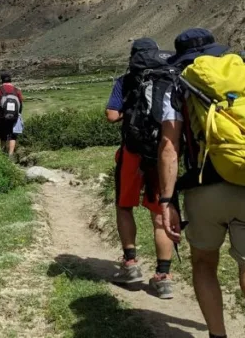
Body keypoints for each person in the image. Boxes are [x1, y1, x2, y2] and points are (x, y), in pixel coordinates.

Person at [159, 28, 245, 338]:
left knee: (203, 264)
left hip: (206, 188)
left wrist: (166, 201)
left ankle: (217, 335)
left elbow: (169, 148)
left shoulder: (178, 86)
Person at [104, 38, 176, 298]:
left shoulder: (125, 81)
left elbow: (111, 115)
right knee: (160, 216)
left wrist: (128, 113)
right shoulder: (169, 78)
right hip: (163, 155)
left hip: (132, 153)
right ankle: (163, 277)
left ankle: (131, 263)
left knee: (124, 206)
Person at [0, 72, 23, 157]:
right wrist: (18, 115)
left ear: (1, 80)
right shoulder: (17, 90)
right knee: (13, 136)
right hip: (14, 117)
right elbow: (21, 104)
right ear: (10, 79)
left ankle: (2, 154)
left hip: (2, 117)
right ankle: (11, 155)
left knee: (2, 136)